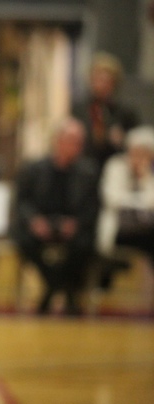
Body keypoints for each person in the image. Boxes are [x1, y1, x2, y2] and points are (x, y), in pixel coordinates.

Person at [11, 117, 99, 315]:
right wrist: (34, 220)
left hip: (71, 225)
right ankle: (62, 288)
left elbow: (92, 207)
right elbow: (21, 202)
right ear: (57, 141)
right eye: (71, 140)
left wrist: (76, 223)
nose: (75, 147)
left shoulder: (87, 172)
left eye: (78, 142)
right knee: (24, 240)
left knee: (85, 244)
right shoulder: (34, 168)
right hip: (41, 222)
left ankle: (54, 289)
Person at [96, 125, 154, 275]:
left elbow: (151, 201)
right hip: (119, 229)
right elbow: (113, 199)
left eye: (145, 153)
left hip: (146, 229)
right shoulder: (115, 166)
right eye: (136, 152)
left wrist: (143, 176)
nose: (139, 157)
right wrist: (139, 202)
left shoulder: (149, 173)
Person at [72, 51, 139, 172]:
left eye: (106, 80)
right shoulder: (79, 109)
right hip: (82, 169)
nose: (101, 84)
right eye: (97, 79)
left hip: (114, 168)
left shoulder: (125, 113)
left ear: (114, 83)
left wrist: (122, 140)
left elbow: (137, 145)